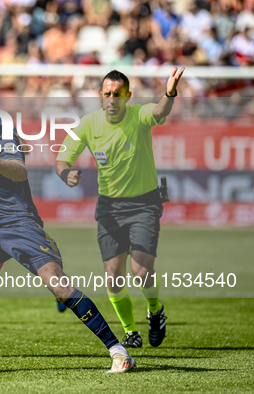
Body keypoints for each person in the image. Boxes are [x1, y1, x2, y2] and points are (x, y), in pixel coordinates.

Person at [0, 77, 135, 373]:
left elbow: (20, 172)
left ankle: (118, 350)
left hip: (22, 225)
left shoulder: (3, 136)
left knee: (59, 286)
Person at [56, 68, 184, 348]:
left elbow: (161, 111)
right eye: (107, 94)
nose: (112, 99)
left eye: (118, 94)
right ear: (100, 96)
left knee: (141, 271)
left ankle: (155, 309)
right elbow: (62, 159)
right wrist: (67, 174)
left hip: (145, 204)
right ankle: (130, 332)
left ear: (128, 96)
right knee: (113, 276)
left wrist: (170, 92)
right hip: (109, 208)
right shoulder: (88, 124)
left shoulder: (139, 115)